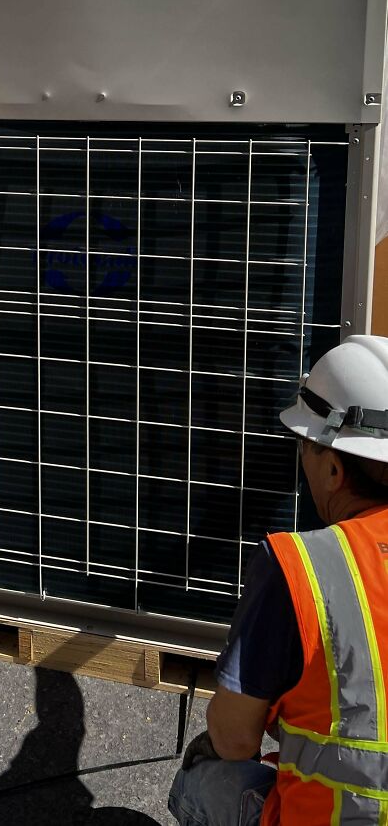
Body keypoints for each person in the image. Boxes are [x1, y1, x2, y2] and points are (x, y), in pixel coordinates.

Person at [168, 334, 388, 826]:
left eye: (304, 448)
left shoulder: (303, 569)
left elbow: (235, 739)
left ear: (333, 467)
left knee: (207, 769)